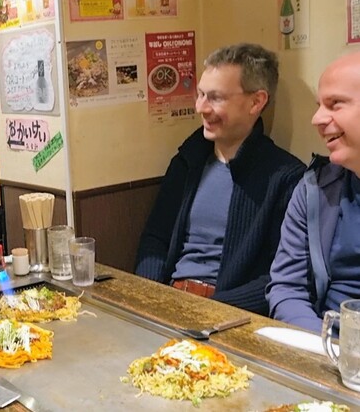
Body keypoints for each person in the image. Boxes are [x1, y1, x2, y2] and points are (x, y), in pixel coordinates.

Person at [134, 43, 305, 315]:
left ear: (256, 101)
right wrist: (152, 297)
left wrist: (211, 310)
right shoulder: (189, 159)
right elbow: (155, 239)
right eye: (200, 94)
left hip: (228, 313)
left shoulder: (284, 177)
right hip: (168, 299)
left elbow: (279, 278)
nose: (201, 107)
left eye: (215, 98)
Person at [267, 51, 360, 333]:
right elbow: (286, 288)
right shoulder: (314, 190)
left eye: (335, 104)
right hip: (326, 350)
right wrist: (323, 349)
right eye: (320, 105)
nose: (317, 118)